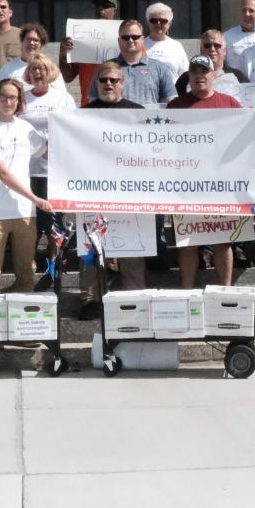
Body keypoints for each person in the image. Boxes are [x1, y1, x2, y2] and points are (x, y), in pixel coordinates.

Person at [75, 62, 146, 319]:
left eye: (113, 80)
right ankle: (89, 300)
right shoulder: (82, 115)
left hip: (129, 192)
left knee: (132, 248)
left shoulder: (139, 113)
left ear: (122, 83)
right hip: (93, 191)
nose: (108, 84)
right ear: (96, 83)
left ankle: (134, 299)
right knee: (91, 248)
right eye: (103, 80)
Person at [167, 56, 242, 288]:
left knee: (223, 240)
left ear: (213, 75)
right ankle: (187, 291)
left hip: (221, 185)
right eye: (195, 71)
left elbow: (244, 140)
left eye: (205, 71)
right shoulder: (176, 106)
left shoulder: (230, 104)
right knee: (188, 240)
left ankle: (226, 289)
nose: (200, 76)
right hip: (186, 185)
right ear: (188, 75)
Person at [0, 79, 49, 294]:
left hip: (24, 212)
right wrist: (36, 198)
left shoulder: (26, 128)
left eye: (13, 98)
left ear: (19, 101)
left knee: (27, 271)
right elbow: (3, 174)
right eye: (4, 97)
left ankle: (22, 320)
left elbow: (48, 154)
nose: (8, 101)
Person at [22, 55, 76, 264]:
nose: (37, 73)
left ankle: (55, 259)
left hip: (57, 168)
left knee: (56, 218)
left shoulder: (62, 98)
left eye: (42, 69)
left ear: (50, 72)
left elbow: (73, 127)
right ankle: (29, 260)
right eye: (33, 69)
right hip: (28, 168)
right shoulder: (22, 97)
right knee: (33, 219)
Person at [87, 18, 176, 105]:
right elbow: (93, 102)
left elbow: (171, 104)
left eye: (135, 37)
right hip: (113, 119)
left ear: (142, 39)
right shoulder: (104, 69)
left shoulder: (160, 68)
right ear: (119, 40)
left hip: (147, 119)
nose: (130, 40)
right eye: (125, 37)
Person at [59, 0, 120, 106]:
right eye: (97, 6)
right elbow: (68, 77)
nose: (101, 9)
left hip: (118, 104)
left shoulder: (126, 37)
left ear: (114, 11)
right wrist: (63, 56)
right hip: (90, 105)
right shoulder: (82, 38)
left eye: (106, 6)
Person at [175, 29, 250, 96]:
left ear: (224, 51)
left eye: (217, 45)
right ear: (201, 50)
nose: (212, 49)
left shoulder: (238, 76)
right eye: (207, 46)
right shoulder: (186, 77)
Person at [143, 2, 190, 78]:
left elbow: (185, 74)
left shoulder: (176, 46)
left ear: (170, 24)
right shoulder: (140, 45)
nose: (158, 23)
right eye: (154, 20)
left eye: (163, 21)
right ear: (147, 22)